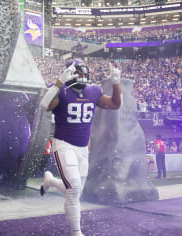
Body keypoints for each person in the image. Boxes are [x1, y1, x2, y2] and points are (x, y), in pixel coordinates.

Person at [39, 58, 122, 236]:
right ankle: (76, 232)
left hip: (83, 148)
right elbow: (45, 105)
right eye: (78, 71)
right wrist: (59, 83)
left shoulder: (93, 91)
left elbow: (115, 104)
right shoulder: (61, 91)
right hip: (63, 145)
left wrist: (116, 83)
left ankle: (51, 181)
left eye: (83, 71)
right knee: (74, 188)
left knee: (75, 191)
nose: (82, 75)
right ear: (69, 72)